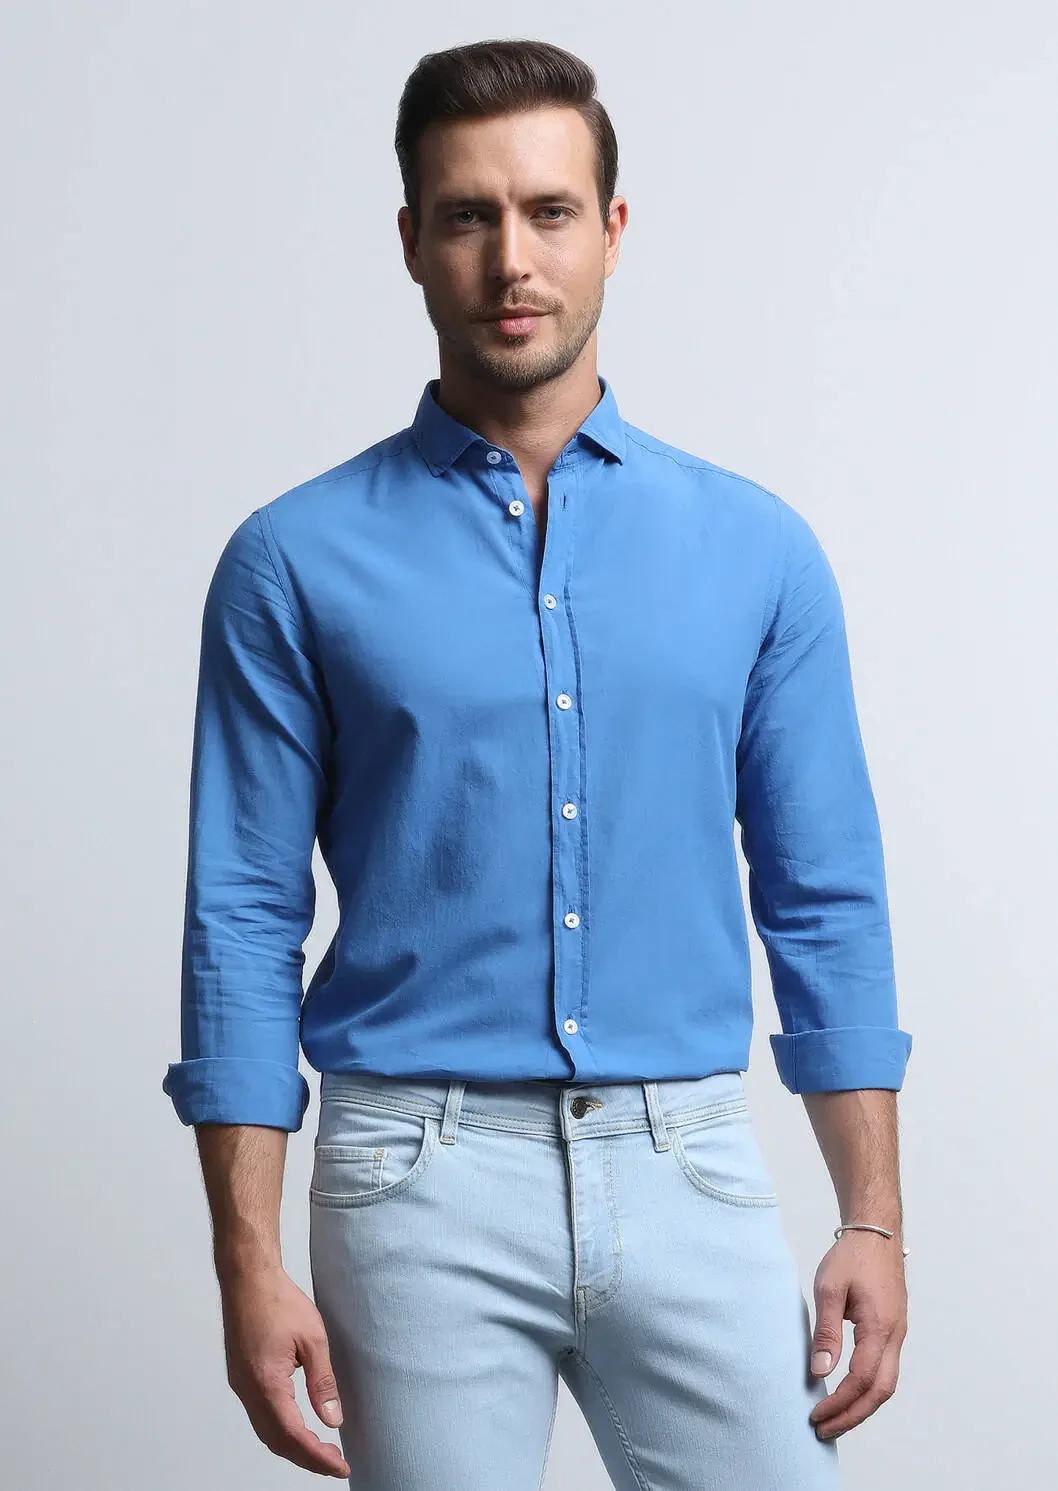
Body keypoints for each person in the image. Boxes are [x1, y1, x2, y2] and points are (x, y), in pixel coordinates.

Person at [162, 36, 912, 1490]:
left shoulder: (756, 551)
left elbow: (823, 896)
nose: (512, 259)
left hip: (687, 1159)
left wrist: (869, 1215)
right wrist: (245, 1262)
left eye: (550, 211)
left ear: (612, 231)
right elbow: (240, 919)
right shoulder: (292, 561)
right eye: (468, 215)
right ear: (410, 241)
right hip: (414, 1181)